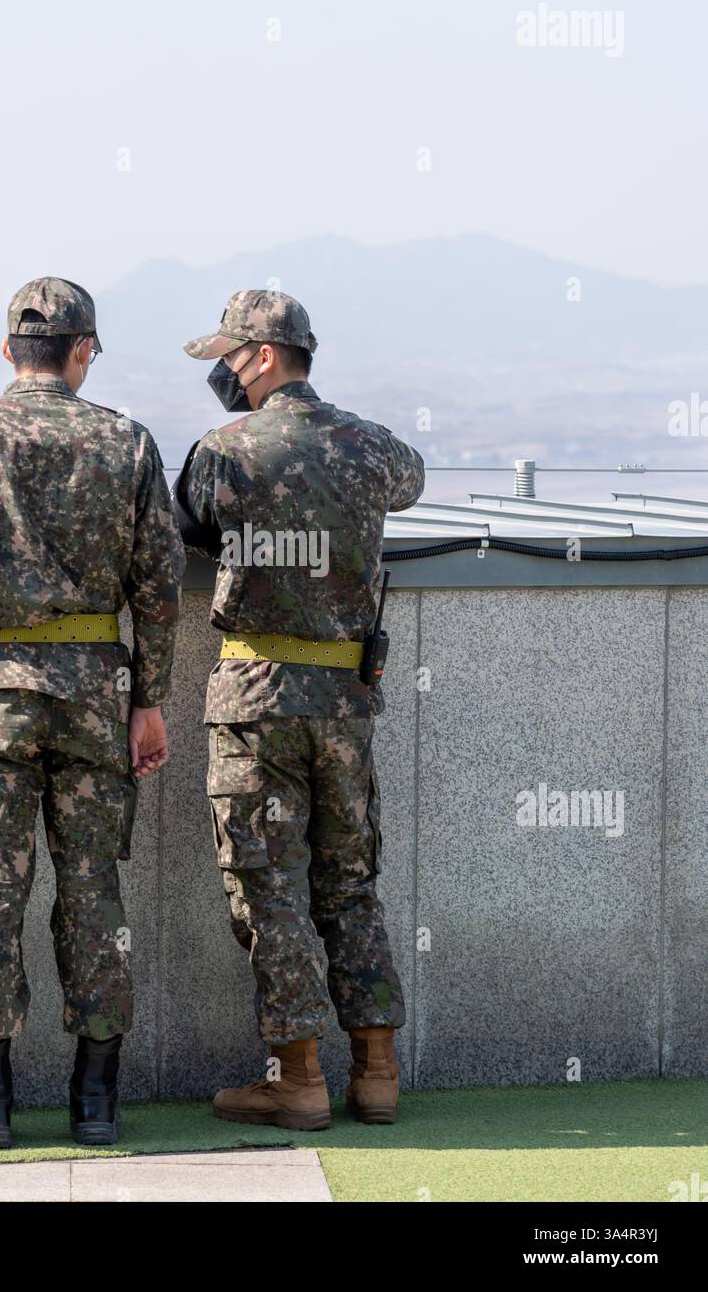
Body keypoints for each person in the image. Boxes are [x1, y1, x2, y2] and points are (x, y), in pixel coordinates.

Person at [0, 277, 184, 1149]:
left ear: (8, 350)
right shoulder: (127, 442)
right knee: (93, 889)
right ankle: (96, 1101)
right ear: (83, 350)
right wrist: (149, 701)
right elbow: (159, 587)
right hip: (95, 697)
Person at [175, 288, 424, 1129]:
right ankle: (377, 1074)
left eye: (231, 357)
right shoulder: (372, 446)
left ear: (267, 357)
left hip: (257, 698)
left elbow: (192, 528)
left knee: (268, 887)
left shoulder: (219, 450)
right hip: (347, 701)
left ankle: (298, 1079)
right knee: (350, 883)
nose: (223, 373)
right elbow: (409, 485)